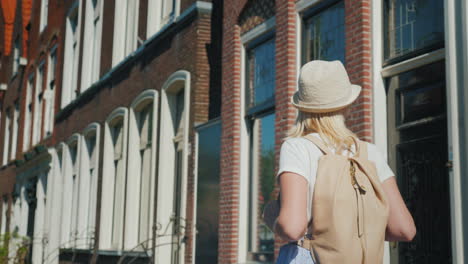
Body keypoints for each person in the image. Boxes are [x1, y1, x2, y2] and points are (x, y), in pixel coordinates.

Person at [263, 60, 416, 263]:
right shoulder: (369, 153)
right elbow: (404, 229)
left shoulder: (297, 147)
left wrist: (271, 217)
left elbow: (292, 228)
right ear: (346, 105)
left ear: (302, 107)